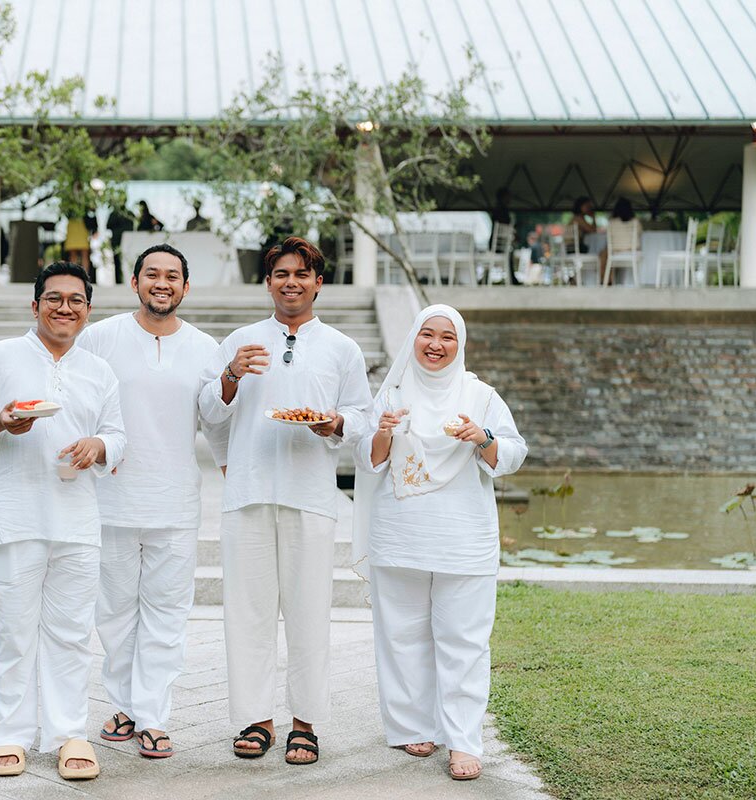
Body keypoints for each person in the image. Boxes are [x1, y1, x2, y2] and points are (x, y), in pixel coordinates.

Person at [0, 262, 126, 781]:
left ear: (88, 310)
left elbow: (118, 435)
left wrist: (99, 446)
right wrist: (0, 421)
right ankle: (10, 734)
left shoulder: (99, 370)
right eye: (54, 299)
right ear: (35, 305)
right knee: (14, 632)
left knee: (71, 633)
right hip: (15, 516)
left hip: (78, 520)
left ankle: (69, 734)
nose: (64, 308)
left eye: (75, 300)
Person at [198, 236, 374, 766]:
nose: (290, 282)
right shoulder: (242, 340)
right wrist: (231, 374)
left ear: (318, 282)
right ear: (268, 282)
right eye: (281, 274)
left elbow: (362, 417)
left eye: (301, 274)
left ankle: (305, 722)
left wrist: (336, 423)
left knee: (309, 612)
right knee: (247, 613)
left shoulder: (342, 348)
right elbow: (209, 411)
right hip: (248, 492)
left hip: (311, 494)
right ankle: (256, 719)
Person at [354, 304, 527, 782]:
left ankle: (463, 739)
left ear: (460, 343)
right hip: (400, 532)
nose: (435, 345)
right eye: (427, 334)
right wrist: (383, 433)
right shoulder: (391, 393)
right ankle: (412, 725)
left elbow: (513, 453)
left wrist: (482, 437)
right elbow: (367, 460)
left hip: (463, 537)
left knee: (464, 640)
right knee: (401, 633)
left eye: (447, 337)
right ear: (413, 337)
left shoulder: (480, 395)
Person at [79, 244, 228, 760]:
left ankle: (153, 716)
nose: (161, 283)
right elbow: (79, 400)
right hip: (111, 496)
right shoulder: (100, 337)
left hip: (176, 501)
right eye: (151, 274)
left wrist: (231, 471)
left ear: (185, 287)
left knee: (166, 612)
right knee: (115, 612)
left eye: (171, 276)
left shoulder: (206, 348)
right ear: (135, 281)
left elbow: (216, 421)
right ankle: (124, 706)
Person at [600, 197, 640, 285]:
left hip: (616, 252)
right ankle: (610, 279)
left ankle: (606, 279)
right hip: (632, 251)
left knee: (603, 254)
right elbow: (639, 233)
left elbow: (608, 236)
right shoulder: (635, 222)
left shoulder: (611, 222)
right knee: (604, 253)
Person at [488, 188, 520, 285]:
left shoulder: (497, 209)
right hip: (499, 244)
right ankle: (512, 279)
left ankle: (511, 278)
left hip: (498, 243)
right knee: (509, 255)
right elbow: (506, 226)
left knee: (509, 254)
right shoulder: (502, 211)